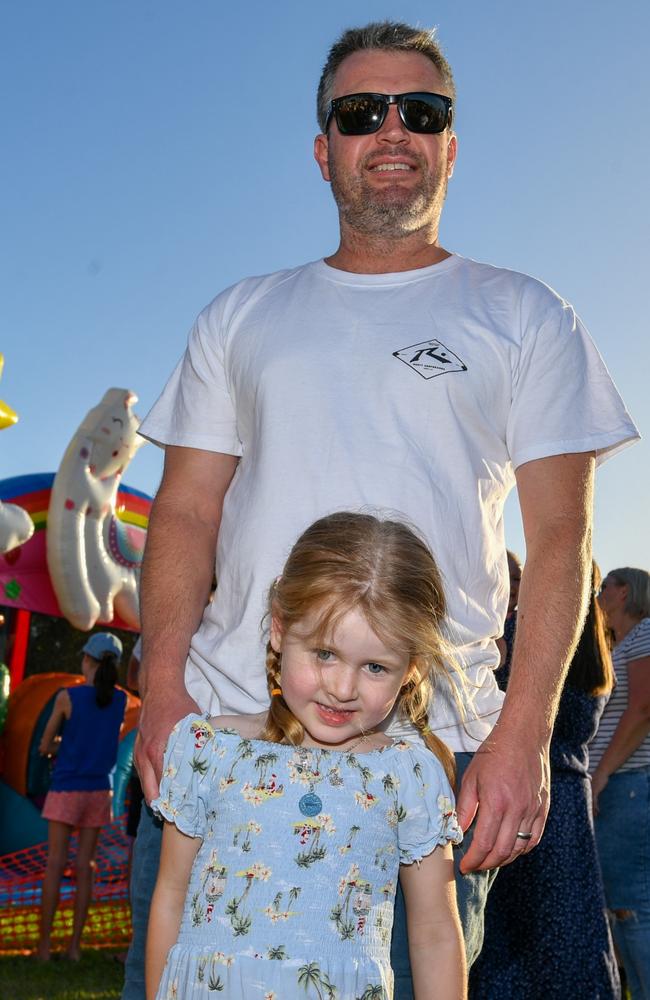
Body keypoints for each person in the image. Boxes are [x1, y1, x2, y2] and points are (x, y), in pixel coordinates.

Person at [123, 20, 639, 1000]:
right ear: (324, 151)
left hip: (428, 759)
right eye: (360, 112)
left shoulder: (524, 313)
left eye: (421, 111)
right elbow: (183, 513)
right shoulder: (239, 313)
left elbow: (561, 538)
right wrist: (162, 690)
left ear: (450, 143)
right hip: (223, 743)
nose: (391, 129)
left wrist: (521, 735)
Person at [146, 512, 466, 1000]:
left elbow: (436, 935)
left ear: (411, 670)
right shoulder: (207, 751)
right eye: (324, 653)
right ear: (279, 629)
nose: (341, 688)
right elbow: (169, 896)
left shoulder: (408, 775)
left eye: (375, 666)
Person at [471, 561, 620, 998]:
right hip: (571, 796)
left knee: (516, 928)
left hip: (522, 787)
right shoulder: (597, 650)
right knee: (571, 919)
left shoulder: (525, 639)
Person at [36, 632, 126, 961]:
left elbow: (45, 746)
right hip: (100, 790)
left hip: (66, 787)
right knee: (85, 866)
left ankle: (44, 948)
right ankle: (75, 948)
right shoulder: (121, 700)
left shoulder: (66, 697)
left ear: (87, 660)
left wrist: (60, 746)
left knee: (55, 865)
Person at [590, 567, 650, 1000]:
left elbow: (644, 707)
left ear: (624, 591)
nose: (598, 593)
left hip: (629, 784)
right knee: (623, 906)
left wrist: (603, 772)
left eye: (604, 586)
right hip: (622, 784)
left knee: (633, 906)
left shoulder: (645, 633)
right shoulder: (622, 642)